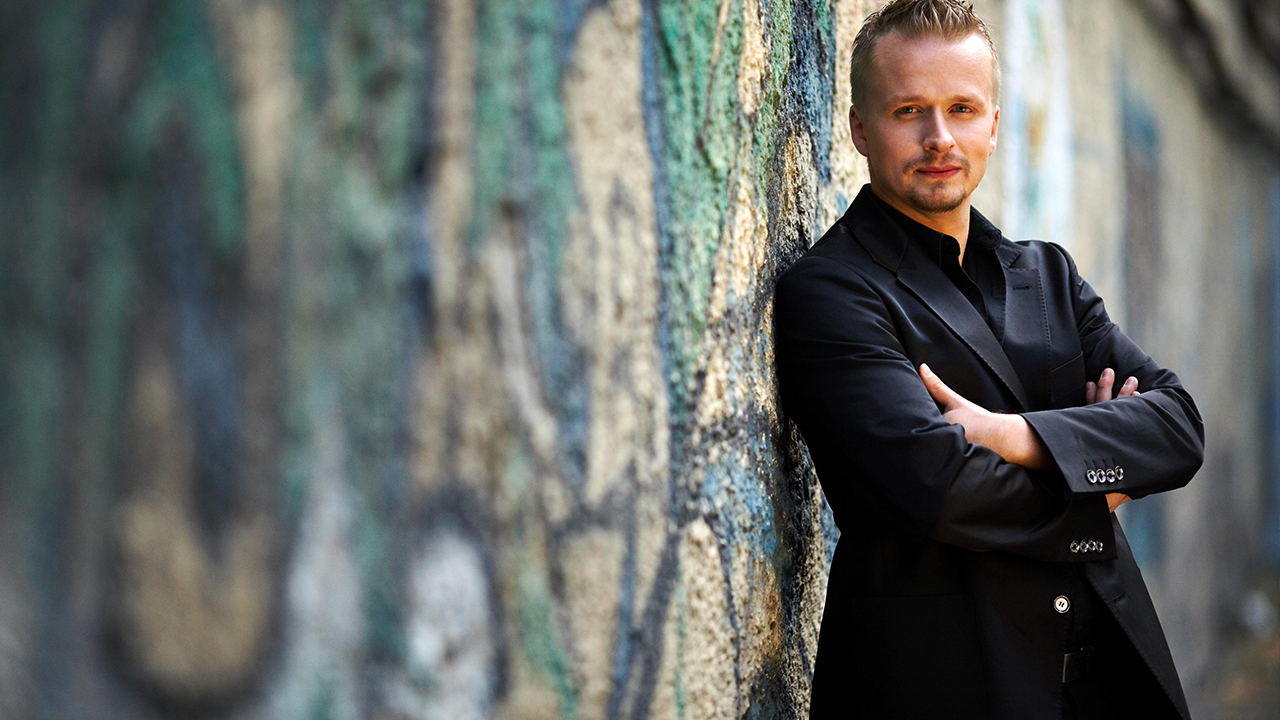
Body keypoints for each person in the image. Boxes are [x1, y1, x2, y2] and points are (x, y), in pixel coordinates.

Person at [772, 1, 1204, 718]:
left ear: (995, 124)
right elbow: (937, 485)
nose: (939, 137)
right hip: (948, 688)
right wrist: (1099, 479)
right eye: (909, 109)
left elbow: (1178, 430)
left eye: (963, 108)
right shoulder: (832, 292)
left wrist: (1015, 436)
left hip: (1111, 687)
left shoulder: (1048, 276)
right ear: (859, 128)